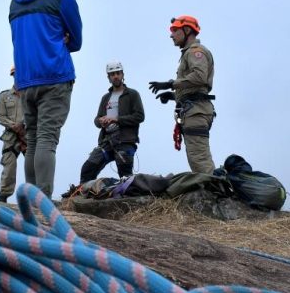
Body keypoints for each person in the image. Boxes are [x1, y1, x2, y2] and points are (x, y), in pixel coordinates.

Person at [9, 0, 82, 198]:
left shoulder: (15, 0)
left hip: (25, 80)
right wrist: (63, 38)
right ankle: (44, 202)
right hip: (54, 76)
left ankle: (31, 201)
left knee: (32, 140)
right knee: (47, 139)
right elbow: (76, 41)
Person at [149, 15, 216, 174]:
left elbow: (199, 77)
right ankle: (209, 186)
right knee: (196, 159)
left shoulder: (195, 52)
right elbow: (195, 89)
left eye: (175, 30)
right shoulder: (189, 53)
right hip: (194, 110)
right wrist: (173, 96)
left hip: (196, 112)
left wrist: (171, 84)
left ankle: (213, 188)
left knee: (200, 160)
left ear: (186, 30)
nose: (171, 35)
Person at [79, 61, 145, 183]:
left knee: (125, 177)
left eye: (118, 73)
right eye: (112, 74)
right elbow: (97, 120)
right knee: (87, 169)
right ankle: (85, 192)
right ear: (108, 77)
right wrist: (100, 121)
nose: (115, 76)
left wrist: (117, 119)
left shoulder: (132, 94)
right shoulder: (106, 98)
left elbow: (139, 116)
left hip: (125, 140)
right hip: (107, 141)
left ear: (122, 74)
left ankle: (128, 194)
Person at [0, 66, 26, 203]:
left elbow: (36, 113)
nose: (17, 76)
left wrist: (23, 125)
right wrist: (14, 126)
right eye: (14, 74)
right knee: (9, 167)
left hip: (28, 136)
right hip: (10, 137)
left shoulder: (31, 94)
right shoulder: (4, 96)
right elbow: (0, 117)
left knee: (34, 167)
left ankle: (37, 198)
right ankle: (3, 198)